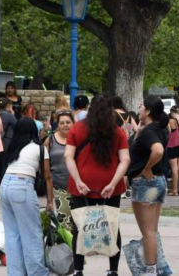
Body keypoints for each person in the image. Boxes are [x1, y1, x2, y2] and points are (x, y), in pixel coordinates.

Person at [65, 95, 129, 276]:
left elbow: (68, 156)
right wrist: (112, 183)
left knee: (79, 227)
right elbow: (125, 160)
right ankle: (113, 270)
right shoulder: (118, 132)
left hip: (82, 186)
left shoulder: (77, 128)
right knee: (112, 227)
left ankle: (78, 269)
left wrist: (78, 181)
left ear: (90, 109)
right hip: (111, 187)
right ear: (111, 111)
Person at [0, 118, 52, 275]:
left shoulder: (14, 147)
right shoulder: (39, 149)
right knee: (32, 233)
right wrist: (50, 201)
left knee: (12, 234)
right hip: (22, 186)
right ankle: (37, 273)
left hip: (5, 187)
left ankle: (16, 273)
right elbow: (47, 176)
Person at [127, 96, 170, 276]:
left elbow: (158, 150)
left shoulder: (150, 131)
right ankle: (156, 267)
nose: (139, 107)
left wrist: (146, 168)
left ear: (149, 111)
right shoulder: (159, 129)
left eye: (142, 105)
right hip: (158, 182)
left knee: (148, 231)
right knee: (152, 230)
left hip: (146, 184)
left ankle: (150, 270)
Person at [44, 111, 75, 229]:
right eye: (62, 123)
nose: (65, 125)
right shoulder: (50, 140)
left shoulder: (78, 139)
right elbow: (45, 166)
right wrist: (49, 200)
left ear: (73, 123)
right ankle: (66, 247)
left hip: (78, 188)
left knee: (78, 222)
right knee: (64, 224)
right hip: (59, 187)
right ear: (57, 125)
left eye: (68, 122)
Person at [167, 106, 179, 196]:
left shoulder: (170, 121)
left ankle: (175, 190)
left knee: (174, 169)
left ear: (172, 112)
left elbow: (169, 132)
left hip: (172, 146)